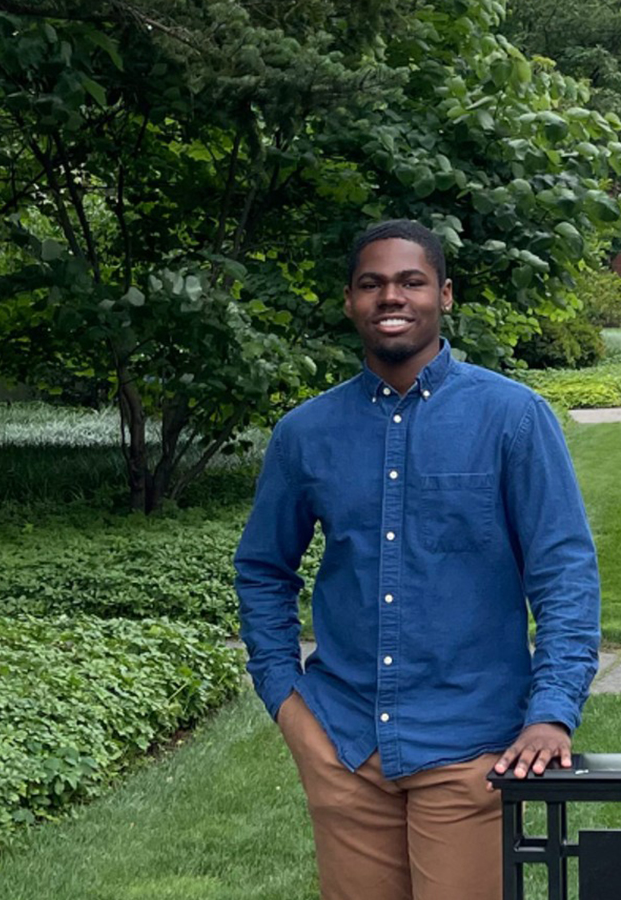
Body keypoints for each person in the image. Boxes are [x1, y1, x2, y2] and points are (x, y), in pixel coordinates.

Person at [234, 218, 600, 900]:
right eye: (372, 284)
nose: (391, 297)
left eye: (411, 282)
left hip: (473, 748)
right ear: (350, 301)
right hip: (344, 746)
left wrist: (551, 711)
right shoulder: (305, 434)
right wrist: (286, 700)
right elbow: (262, 569)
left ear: (445, 295)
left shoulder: (513, 419)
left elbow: (563, 574)